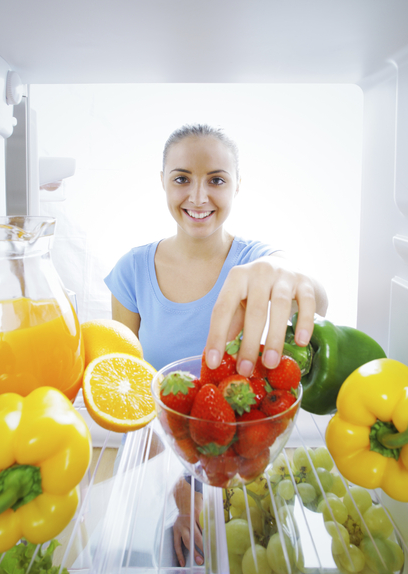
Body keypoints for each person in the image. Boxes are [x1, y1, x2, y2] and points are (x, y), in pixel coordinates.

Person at [104, 123, 328, 566]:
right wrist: (179, 495)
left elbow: (314, 295)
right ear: (164, 182)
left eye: (217, 180)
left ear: (237, 186)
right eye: (183, 178)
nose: (199, 197)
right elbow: (130, 394)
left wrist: (284, 272)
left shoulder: (254, 260)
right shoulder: (131, 269)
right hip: (160, 461)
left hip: (243, 463)